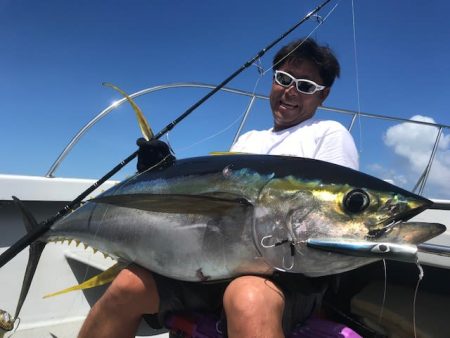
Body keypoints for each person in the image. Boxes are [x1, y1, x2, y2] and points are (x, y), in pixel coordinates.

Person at [77, 37, 358, 338]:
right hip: (219, 268)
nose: (290, 91)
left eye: (305, 86)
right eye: (284, 79)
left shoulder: (328, 134)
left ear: (323, 95)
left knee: (246, 296)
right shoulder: (249, 140)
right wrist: (163, 175)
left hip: (288, 276)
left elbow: (335, 219)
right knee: (127, 285)